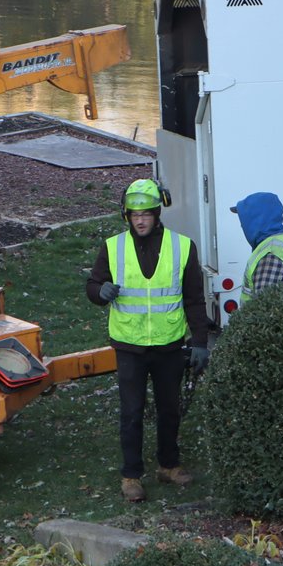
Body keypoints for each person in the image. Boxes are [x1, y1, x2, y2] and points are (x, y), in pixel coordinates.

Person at [87, 178, 210, 502]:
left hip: (169, 344)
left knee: (170, 409)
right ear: (125, 215)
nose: (140, 220)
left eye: (146, 214)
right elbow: (93, 284)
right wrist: (100, 292)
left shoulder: (183, 247)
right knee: (132, 411)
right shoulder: (113, 247)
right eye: (133, 214)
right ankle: (131, 476)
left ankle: (168, 465)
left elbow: (194, 299)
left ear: (157, 214)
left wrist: (199, 340)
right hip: (129, 345)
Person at [231, 192, 283, 301]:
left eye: (244, 220)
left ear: (255, 220)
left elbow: (265, 308)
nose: (242, 225)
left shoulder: (270, 255)